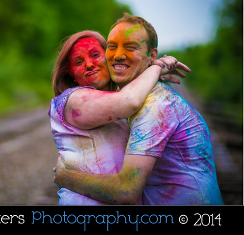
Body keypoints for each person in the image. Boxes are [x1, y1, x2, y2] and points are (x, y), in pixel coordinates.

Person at [55, 15, 224, 205]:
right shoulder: (116, 100)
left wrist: (65, 177)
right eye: (112, 47)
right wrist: (157, 68)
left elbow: (126, 190)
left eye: (130, 47)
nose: (118, 54)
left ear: (152, 55)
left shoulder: (155, 105)